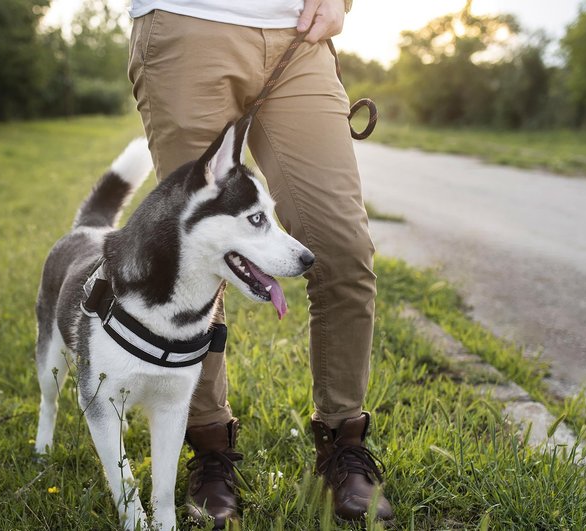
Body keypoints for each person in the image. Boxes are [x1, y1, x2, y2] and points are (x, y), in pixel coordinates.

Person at [126, 0, 393, 526]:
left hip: (299, 37)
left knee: (342, 247)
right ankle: (209, 450)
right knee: (197, 255)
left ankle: (343, 443)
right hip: (187, 23)